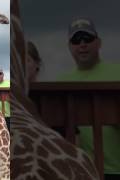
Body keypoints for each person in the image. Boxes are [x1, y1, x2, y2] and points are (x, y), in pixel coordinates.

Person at [58, 18, 120, 179]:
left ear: (99, 43)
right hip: (83, 171)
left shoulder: (117, 72)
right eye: (76, 40)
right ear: (70, 47)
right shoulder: (61, 83)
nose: (82, 44)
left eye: (88, 38)